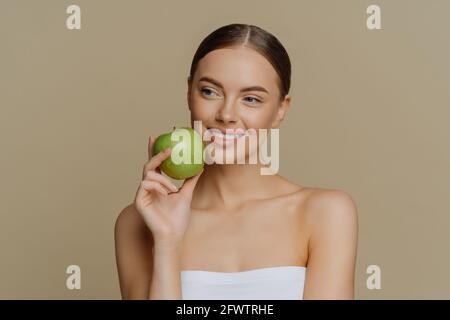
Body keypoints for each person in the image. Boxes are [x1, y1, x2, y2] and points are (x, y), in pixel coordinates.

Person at [114, 23, 358, 300]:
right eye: (209, 91)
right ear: (189, 94)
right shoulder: (138, 222)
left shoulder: (325, 212)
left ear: (281, 109)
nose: (227, 114)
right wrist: (167, 241)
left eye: (251, 99)